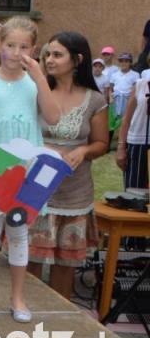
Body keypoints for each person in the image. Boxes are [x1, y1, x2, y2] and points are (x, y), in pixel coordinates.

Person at [0, 16, 60, 323]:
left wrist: (40, 77)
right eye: (10, 45)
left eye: (24, 47)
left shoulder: (35, 83)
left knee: (19, 232)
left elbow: (53, 117)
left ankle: (17, 297)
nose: (16, 52)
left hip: (26, 165)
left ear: (34, 49)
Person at [27, 32, 107, 299]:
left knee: (65, 265)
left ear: (77, 59)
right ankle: (23, 311)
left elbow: (101, 143)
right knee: (29, 259)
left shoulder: (94, 100)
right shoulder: (36, 91)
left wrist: (83, 150)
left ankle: (59, 315)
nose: (49, 60)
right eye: (47, 54)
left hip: (74, 192)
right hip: (36, 186)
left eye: (57, 55)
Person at [109, 52, 139, 131]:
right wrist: (110, 98)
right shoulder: (114, 75)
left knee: (127, 119)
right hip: (116, 99)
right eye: (121, 61)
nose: (123, 63)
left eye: (126, 61)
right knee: (115, 119)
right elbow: (111, 88)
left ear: (130, 63)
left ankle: (125, 135)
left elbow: (135, 89)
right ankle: (115, 135)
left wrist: (132, 100)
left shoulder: (135, 75)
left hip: (128, 100)